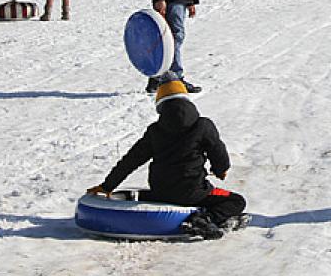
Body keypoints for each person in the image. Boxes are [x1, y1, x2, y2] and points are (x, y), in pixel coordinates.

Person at [86, 81, 247, 240]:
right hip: (192, 192)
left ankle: (202, 216)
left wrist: (108, 186)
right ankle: (205, 220)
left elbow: (131, 160)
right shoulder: (203, 125)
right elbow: (218, 151)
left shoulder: (155, 130)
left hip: (160, 192)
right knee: (236, 201)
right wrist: (220, 169)